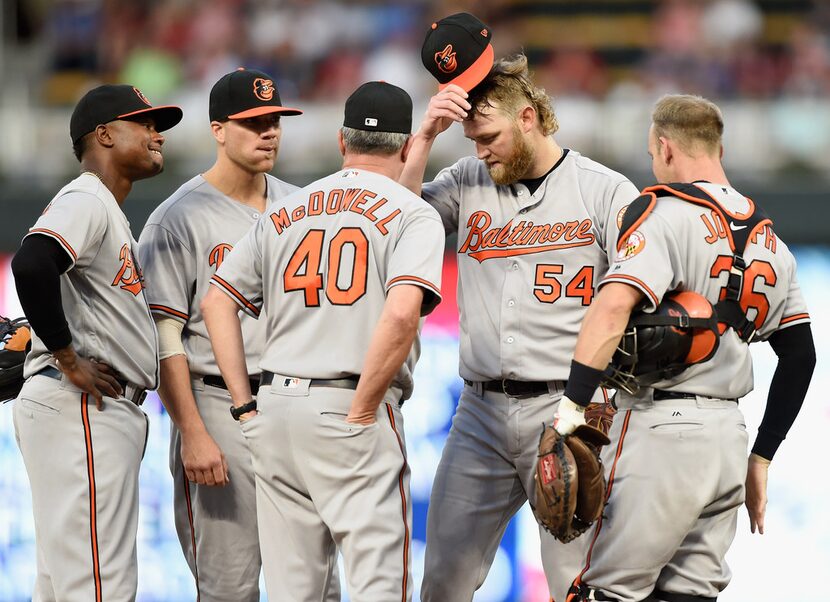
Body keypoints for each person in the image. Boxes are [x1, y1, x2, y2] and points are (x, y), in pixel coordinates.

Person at [403, 12, 640, 602]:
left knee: (572, 586)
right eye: (472, 141)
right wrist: (425, 139)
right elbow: (396, 228)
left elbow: (642, 292)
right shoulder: (465, 179)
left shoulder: (603, 190)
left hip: (566, 410)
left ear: (528, 117)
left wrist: (603, 399)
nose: (480, 151)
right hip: (478, 415)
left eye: (489, 138)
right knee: (443, 583)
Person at [557, 94, 816, 602]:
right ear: (719, 146)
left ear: (665, 146)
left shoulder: (663, 213)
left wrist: (569, 409)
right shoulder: (772, 242)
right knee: (689, 596)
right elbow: (801, 355)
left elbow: (611, 310)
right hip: (728, 441)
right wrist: (761, 456)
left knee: (607, 592)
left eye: (655, 153)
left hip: (661, 431)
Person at [201, 81, 445, 601]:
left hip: (277, 408)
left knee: (294, 591)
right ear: (404, 147)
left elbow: (215, 301)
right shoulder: (413, 213)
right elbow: (402, 315)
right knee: (380, 587)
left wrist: (245, 407)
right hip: (349, 405)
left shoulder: (286, 209)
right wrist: (362, 412)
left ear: (341, 141)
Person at [136, 67, 337, 601]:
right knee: (230, 587)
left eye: (274, 120)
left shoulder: (304, 205)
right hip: (219, 406)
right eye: (253, 123)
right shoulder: (177, 218)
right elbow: (165, 337)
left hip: (297, 404)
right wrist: (193, 432)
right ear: (218, 130)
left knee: (319, 585)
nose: (269, 131)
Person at [11, 84, 182, 601]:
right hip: (81, 404)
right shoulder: (87, 196)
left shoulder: (104, 207)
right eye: (145, 123)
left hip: (77, 406)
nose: (157, 135)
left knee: (63, 585)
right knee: (98, 585)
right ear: (104, 135)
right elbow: (33, 261)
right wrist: (65, 356)